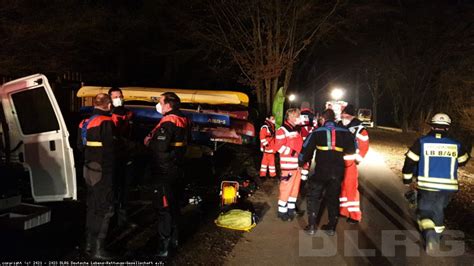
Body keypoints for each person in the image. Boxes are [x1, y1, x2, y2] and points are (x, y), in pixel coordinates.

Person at [402, 113, 470, 254]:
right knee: (438, 209)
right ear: (448, 128)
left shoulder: (422, 142)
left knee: (424, 213)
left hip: (427, 186)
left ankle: (431, 237)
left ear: (432, 126)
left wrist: (407, 179)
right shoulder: (456, 144)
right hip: (448, 188)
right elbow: (464, 160)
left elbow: (410, 161)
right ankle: (437, 235)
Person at [144, 92, 190, 257]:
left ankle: (163, 247)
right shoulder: (184, 119)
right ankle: (174, 240)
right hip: (177, 168)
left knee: (164, 209)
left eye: (161, 102)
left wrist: (150, 142)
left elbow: (160, 147)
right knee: (174, 206)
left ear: (168, 105)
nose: (159, 105)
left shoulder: (169, 122)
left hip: (164, 172)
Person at [299, 109, 356, 236]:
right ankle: (331, 227)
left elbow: (306, 150)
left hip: (321, 171)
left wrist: (301, 163)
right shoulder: (345, 132)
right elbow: (352, 150)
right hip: (337, 171)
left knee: (313, 196)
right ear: (334, 119)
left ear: (323, 119)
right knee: (333, 198)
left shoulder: (316, 132)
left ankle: (312, 226)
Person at [77, 93, 117, 260]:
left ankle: (88, 244)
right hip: (103, 170)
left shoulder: (84, 122)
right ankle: (98, 250)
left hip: (89, 167)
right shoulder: (106, 122)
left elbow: (80, 146)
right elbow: (112, 149)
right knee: (104, 207)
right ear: (108, 105)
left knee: (92, 206)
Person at [108, 87, 136, 228]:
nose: (119, 98)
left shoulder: (129, 113)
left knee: (125, 189)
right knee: (113, 188)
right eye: (115, 96)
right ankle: (112, 220)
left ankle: (123, 218)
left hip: (127, 155)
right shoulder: (109, 114)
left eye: (120, 95)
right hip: (114, 156)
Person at [339, 104, 369, 224]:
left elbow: (364, 146)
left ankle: (355, 216)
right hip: (339, 162)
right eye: (342, 114)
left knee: (351, 189)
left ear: (351, 115)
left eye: (345, 115)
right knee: (342, 188)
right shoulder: (340, 125)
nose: (343, 116)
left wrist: (358, 159)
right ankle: (343, 211)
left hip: (350, 163)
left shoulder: (360, 129)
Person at [274, 108, 304, 221]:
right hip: (288, 166)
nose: (299, 117)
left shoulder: (295, 130)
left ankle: (291, 210)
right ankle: (282, 212)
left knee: (294, 189)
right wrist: (293, 153)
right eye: (297, 115)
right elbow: (278, 147)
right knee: (286, 189)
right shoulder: (282, 130)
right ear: (290, 116)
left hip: (297, 166)